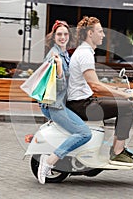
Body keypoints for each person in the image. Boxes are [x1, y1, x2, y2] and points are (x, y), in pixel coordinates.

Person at [66, 16, 133, 166]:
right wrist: (125, 94)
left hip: (84, 101)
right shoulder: (85, 54)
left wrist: (119, 89)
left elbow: (96, 84)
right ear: (90, 33)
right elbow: (96, 86)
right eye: (100, 31)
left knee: (123, 103)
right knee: (127, 107)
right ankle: (118, 152)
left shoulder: (84, 52)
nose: (103, 35)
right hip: (81, 105)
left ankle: (117, 149)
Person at [38, 20, 92, 184]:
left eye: (65, 34)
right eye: (59, 34)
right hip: (54, 106)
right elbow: (59, 87)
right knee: (84, 133)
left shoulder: (64, 53)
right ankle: (49, 161)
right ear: (53, 36)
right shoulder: (54, 56)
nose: (63, 37)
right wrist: (60, 69)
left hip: (60, 103)